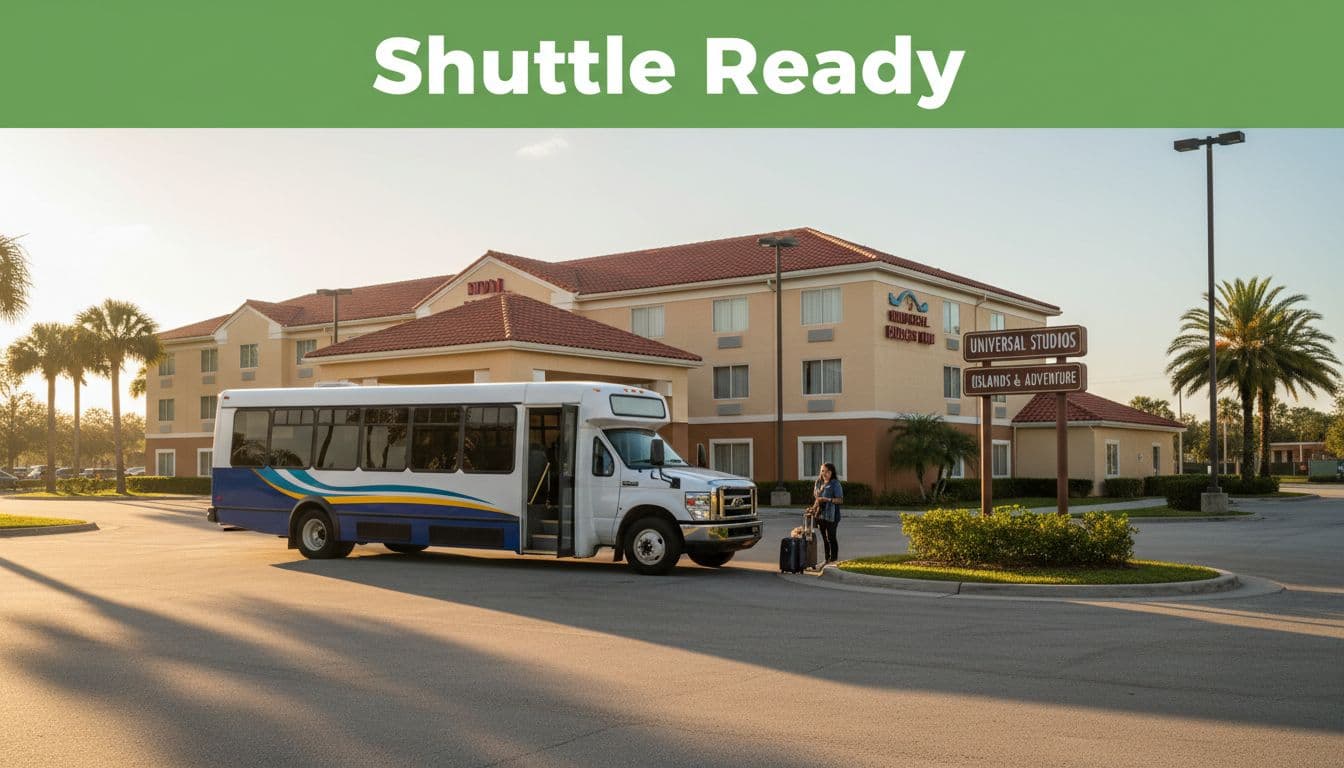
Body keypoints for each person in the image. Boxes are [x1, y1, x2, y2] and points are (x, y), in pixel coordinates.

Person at [812, 462, 843, 563]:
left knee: (831, 537)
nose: (824, 473)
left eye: (827, 471)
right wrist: (813, 509)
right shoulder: (818, 482)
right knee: (824, 538)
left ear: (832, 472)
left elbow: (840, 500)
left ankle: (833, 559)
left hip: (832, 516)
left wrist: (827, 499)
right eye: (822, 471)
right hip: (820, 515)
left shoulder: (835, 484)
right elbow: (817, 499)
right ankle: (826, 559)